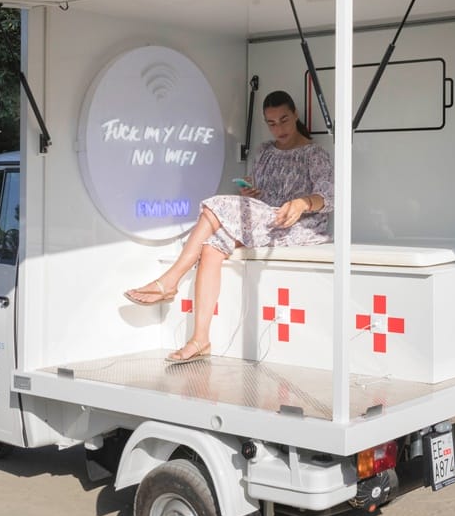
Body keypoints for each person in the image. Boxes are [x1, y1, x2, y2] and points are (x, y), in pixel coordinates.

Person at [124, 90, 334, 362]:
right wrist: (253, 194)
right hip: (265, 218)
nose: (278, 128)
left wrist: (303, 203)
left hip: (297, 224)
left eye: (283, 120)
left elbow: (330, 198)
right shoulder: (264, 152)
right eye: (271, 123)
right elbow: (265, 194)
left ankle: (170, 280)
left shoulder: (313, 153)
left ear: (295, 115)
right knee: (211, 247)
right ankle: (200, 339)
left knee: (215, 206)